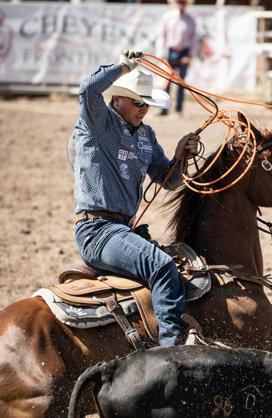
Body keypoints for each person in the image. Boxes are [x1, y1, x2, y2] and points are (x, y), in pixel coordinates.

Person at [72, 49, 200, 347]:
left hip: (123, 230)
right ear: (117, 99)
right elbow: (88, 89)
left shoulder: (147, 136)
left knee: (177, 267)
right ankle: (171, 353)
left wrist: (181, 157)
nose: (143, 109)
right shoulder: (98, 122)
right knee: (161, 267)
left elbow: (168, 181)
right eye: (137, 102)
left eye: (147, 103)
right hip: (97, 231)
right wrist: (121, 66)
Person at [159, 0, 197, 116]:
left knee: (181, 83)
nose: (181, 3)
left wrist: (190, 55)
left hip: (184, 53)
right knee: (166, 81)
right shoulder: (167, 17)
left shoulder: (191, 19)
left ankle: (179, 109)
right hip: (170, 52)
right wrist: (162, 55)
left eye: (183, 2)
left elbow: (194, 38)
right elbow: (162, 36)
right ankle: (164, 109)